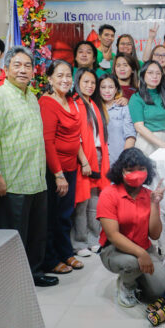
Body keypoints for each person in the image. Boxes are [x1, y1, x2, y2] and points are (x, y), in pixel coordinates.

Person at [0, 46, 56, 287]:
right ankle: (11, 281)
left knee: (36, 233)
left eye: (27, 66)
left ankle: (33, 273)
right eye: (17, 65)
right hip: (11, 182)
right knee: (13, 235)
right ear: (7, 68)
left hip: (35, 179)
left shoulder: (31, 96)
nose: (23, 70)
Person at [97, 148, 165, 307]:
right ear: (121, 171)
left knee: (161, 291)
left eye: (141, 169)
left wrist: (154, 204)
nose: (136, 173)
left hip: (144, 247)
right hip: (114, 249)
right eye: (130, 170)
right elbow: (112, 235)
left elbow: (155, 235)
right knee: (132, 263)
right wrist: (140, 253)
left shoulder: (149, 195)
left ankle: (136, 275)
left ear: (148, 171)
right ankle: (126, 284)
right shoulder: (109, 194)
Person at [39, 60, 84, 275]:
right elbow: (48, 142)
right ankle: (50, 258)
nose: (65, 80)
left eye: (68, 75)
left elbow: (75, 136)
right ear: (49, 78)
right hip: (54, 170)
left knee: (66, 214)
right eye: (59, 76)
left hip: (71, 166)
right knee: (52, 215)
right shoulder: (47, 103)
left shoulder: (70, 100)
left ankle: (65, 252)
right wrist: (58, 175)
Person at [71, 67, 110, 258]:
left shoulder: (93, 104)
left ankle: (94, 238)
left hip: (99, 155)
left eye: (92, 82)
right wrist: (84, 161)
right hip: (83, 158)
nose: (89, 85)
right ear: (77, 82)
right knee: (82, 201)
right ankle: (79, 242)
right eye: (85, 82)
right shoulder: (75, 103)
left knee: (96, 200)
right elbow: (75, 137)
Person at [128, 60, 165, 154]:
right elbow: (139, 127)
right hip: (146, 141)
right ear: (143, 75)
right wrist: (162, 144)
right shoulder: (136, 98)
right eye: (150, 73)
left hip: (164, 139)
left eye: (158, 73)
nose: (155, 76)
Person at [95, 73, 136, 162]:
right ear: (98, 89)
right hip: (98, 161)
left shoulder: (123, 108)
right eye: (103, 87)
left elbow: (130, 136)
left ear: (116, 89)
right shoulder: (94, 108)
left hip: (118, 159)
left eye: (111, 87)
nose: (107, 91)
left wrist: (123, 160)